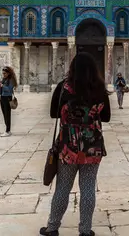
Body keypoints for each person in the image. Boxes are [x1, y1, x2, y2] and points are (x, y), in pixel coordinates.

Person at [41, 53, 111, 236]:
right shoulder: (99, 89)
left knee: (62, 187)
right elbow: (106, 117)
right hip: (92, 146)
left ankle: (52, 228)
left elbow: (53, 114)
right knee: (88, 187)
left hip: (68, 147)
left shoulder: (64, 88)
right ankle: (85, 231)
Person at [0, 66, 17, 137]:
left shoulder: (11, 80)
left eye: (5, 73)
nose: (4, 75)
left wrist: (2, 86)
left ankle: (8, 131)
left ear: (8, 73)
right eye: (3, 73)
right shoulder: (4, 79)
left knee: (7, 114)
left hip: (7, 98)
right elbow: (1, 88)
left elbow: (9, 89)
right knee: (4, 114)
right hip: (2, 97)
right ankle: (7, 129)